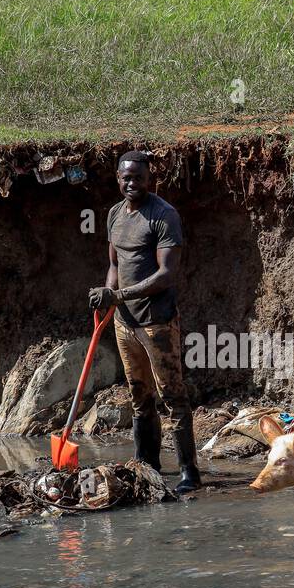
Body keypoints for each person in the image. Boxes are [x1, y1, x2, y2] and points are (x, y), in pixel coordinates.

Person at [88, 151, 201, 494]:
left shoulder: (163, 215)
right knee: (139, 396)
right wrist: (108, 295)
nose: (131, 183)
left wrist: (120, 296)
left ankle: (189, 472)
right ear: (117, 177)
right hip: (124, 324)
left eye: (138, 177)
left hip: (157, 323)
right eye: (125, 177)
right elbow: (114, 264)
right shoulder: (114, 215)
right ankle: (146, 466)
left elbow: (166, 275)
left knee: (172, 396)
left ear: (149, 179)